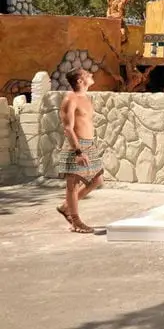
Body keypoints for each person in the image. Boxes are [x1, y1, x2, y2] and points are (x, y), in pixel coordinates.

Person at [56, 67, 104, 233]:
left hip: (89, 144)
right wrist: (78, 151)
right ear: (79, 80)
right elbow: (68, 128)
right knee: (72, 185)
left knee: (97, 180)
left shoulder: (86, 98)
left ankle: (66, 207)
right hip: (76, 146)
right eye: (86, 74)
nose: (91, 75)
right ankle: (75, 221)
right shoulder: (70, 99)